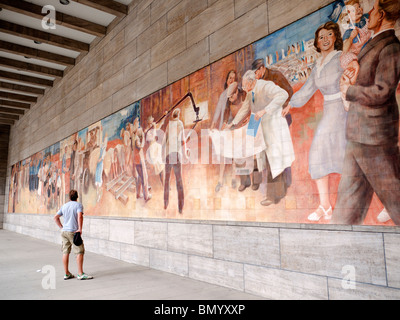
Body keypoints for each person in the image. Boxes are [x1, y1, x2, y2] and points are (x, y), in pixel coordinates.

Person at [332, 0, 400, 225]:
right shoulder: (374, 42)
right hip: (358, 135)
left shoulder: (390, 47)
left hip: (374, 138)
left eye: (372, 11)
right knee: (345, 207)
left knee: (395, 199)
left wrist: (349, 91)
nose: (367, 14)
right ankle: (337, 246)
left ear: (381, 15)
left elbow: (382, 91)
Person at [288, 21, 348, 221]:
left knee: (346, 156)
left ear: (334, 38)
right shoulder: (318, 64)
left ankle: (346, 205)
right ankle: (325, 206)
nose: (324, 40)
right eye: (321, 37)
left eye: (328, 35)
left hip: (343, 110)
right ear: (316, 41)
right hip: (329, 113)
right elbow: (306, 90)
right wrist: (289, 104)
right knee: (317, 156)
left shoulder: (340, 58)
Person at [228, 70, 295, 206]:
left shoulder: (265, 86)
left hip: (273, 126)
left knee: (274, 161)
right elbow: (246, 109)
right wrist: (233, 124)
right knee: (258, 156)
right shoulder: (250, 93)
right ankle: (273, 188)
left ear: (252, 82)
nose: (245, 89)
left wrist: (265, 110)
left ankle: (273, 196)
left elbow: (283, 94)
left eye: (246, 85)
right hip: (259, 124)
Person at [54, 190, 93, 280]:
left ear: (69, 197)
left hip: (64, 232)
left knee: (65, 252)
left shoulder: (64, 206)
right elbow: (80, 216)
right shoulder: (78, 205)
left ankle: (67, 273)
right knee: (79, 251)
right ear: (77, 197)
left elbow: (55, 217)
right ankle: (80, 273)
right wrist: (80, 229)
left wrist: (61, 227)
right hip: (73, 232)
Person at [163, 108, 187, 213]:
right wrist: (185, 152)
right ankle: (180, 207)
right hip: (176, 154)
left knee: (167, 180)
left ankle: (165, 203)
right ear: (178, 115)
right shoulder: (180, 124)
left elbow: (165, 141)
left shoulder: (168, 125)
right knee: (179, 180)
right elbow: (182, 139)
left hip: (169, 154)